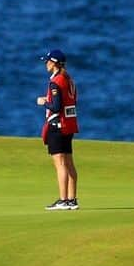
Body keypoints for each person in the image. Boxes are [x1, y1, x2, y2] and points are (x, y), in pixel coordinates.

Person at [36, 48, 78, 210]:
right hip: (69, 125)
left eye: (47, 61)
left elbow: (56, 106)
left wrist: (43, 102)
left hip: (57, 125)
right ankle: (72, 200)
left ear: (54, 63)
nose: (45, 64)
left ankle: (63, 200)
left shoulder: (56, 81)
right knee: (69, 162)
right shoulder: (69, 79)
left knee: (60, 164)